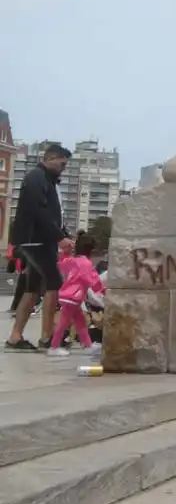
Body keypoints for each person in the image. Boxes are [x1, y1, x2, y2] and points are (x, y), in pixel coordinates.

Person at [4, 143, 74, 352]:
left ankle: (15, 337)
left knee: (33, 289)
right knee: (54, 283)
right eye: (62, 163)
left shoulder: (48, 181)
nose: (64, 167)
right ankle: (48, 338)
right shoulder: (36, 178)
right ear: (51, 158)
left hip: (40, 240)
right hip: (36, 240)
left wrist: (63, 234)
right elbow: (38, 211)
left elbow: (52, 214)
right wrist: (59, 237)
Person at [47, 234, 104, 357]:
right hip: (74, 296)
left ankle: (88, 345)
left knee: (80, 322)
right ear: (91, 250)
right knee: (64, 323)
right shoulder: (86, 263)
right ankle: (54, 346)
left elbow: (61, 264)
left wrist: (65, 253)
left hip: (68, 295)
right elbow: (91, 279)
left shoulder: (72, 260)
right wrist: (101, 290)